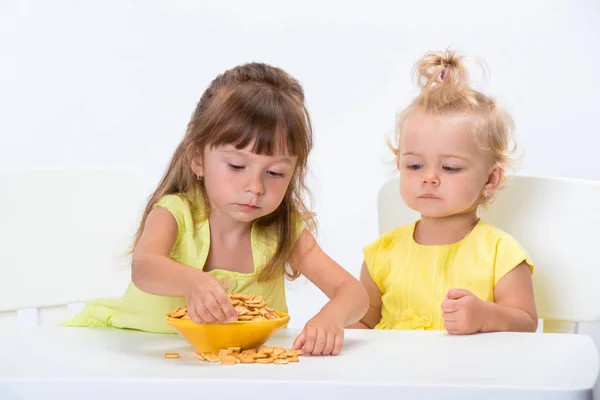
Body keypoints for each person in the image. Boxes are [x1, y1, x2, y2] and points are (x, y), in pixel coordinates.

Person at [63, 62, 368, 355]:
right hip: (134, 355)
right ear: (197, 159)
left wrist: (332, 318)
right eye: (236, 166)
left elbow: (354, 294)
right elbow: (144, 267)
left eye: (275, 173)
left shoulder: (283, 229)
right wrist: (192, 281)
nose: (255, 187)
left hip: (230, 375)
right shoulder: (175, 212)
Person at [349, 49, 537, 334]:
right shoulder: (381, 255)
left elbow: (526, 323)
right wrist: (333, 329)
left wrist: (486, 316)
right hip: (397, 375)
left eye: (449, 168)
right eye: (414, 165)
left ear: (490, 179)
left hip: (471, 376)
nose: (429, 178)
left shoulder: (501, 254)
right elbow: (364, 323)